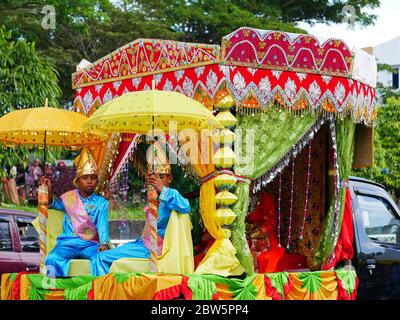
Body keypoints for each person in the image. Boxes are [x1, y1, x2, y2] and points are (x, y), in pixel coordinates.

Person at [92, 142, 191, 276]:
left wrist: (162, 189)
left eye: (161, 177)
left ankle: (100, 294)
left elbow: (185, 207)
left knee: (101, 258)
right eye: (153, 177)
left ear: (170, 178)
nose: (156, 181)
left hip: (156, 249)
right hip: (143, 244)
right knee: (99, 256)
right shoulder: (153, 195)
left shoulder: (171, 195)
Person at [40, 149, 110, 277]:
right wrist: (48, 188)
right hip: (67, 243)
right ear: (77, 181)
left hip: (91, 244)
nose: (89, 181)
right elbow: (50, 203)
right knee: (51, 259)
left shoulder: (102, 203)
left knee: (102, 259)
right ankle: (53, 287)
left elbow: (102, 224)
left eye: (93, 178)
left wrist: (104, 243)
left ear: (97, 181)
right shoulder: (68, 197)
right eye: (85, 178)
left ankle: (98, 291)